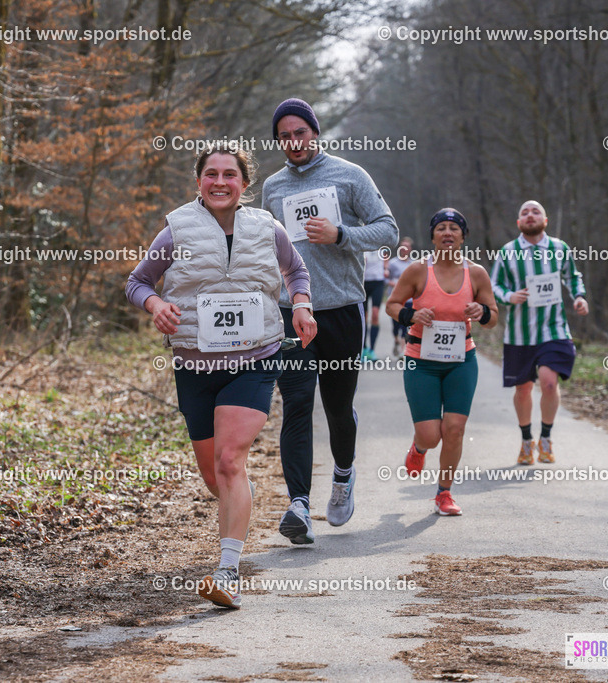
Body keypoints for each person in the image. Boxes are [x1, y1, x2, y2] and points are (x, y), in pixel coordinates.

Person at [126, 143, 316, 609]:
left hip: (255, 358)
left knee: (231, 459)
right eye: (211, 174)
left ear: (244, 184)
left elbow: (296, 270)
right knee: (216, 476)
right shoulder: (176, 229)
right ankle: (238, 501)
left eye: (229, 174)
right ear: (199, 182)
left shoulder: (267, 228)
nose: (219, 182)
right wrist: (156, 305)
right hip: (195, 366)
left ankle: (227, 572)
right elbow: (138, 282)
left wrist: (303, 304)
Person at [262, 98, 398, 542]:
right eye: (284, 135)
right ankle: (298, 504)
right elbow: (268, 250)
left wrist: (342, 236)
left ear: (314, 133)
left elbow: (388, 231)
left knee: (337, 408)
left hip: (341, 308)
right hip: (291, 311)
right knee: (296, 405)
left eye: (300, 132)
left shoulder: (349, 175)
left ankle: (342, 476)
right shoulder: (273, 187)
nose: (293, 142)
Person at [386, 209, 498, 515]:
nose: (447, 233)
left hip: (461, 360)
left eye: (454, 228)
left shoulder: (476, 274)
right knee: (430, 435)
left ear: (463, 236)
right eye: (441, 228)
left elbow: (493, 316)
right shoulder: (418, 271)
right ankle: (419, 448)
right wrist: (411, 315)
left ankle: (444, 493)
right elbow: (392, 305)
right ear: (432, 236)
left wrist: (482, 313)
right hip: (420, 360)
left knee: (455, 428)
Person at [490, 200, 588, 464]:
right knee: (523, 389)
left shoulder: (559, 248)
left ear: (545, 221)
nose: (530, 215)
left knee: (548, 382)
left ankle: (545, 438)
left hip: (553, 329)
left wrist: (579, 297)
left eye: (536, 211)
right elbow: (494, 286)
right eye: (524, 212)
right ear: (519, 223)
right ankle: (526, 440)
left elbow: (572, 276)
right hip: (520, 334)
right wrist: (510, 296)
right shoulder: (508, 252)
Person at [386, 237, 415, 356]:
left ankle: (403, 352)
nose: (404, 249)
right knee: (395, 326)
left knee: (406, 325)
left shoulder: (414, 264)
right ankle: (396, 340)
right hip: (395, 300)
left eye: (407, 247)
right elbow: (385, 278)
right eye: (402, 247)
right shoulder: (393, 263)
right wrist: (392, 283)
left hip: (409, 299)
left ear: (410, 249)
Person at [362, 248, 386, 361]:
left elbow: (386, 261)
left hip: (378, 283)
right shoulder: (363, 246)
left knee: (375, 315)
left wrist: (386, 269)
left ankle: (372, 350)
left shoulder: (381, 247)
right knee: (364, 317)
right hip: (364, 283)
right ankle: (363, 349)